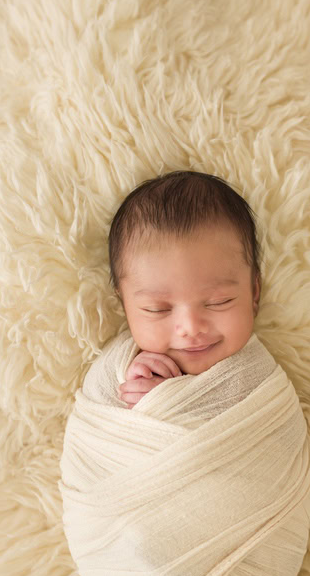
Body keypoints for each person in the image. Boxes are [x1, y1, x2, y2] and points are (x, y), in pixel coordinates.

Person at [106, 170, 263, 408]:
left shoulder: (258, 378)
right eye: (157, 309)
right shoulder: (120, 363)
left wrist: (171, 401)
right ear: (124, 304)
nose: (191, 328)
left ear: (254, 292)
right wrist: (130, 382)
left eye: (219, 302)